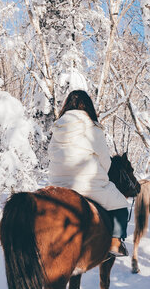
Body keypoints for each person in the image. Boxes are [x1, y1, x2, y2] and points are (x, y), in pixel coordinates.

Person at [48, 90, 129, 257]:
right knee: (120, 204)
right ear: (88, 106)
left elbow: (51, 154)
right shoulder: (93, 128)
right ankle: (115, 243)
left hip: (58, 184)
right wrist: (103, 175)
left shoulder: (57, 127)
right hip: (87, 184)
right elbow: (105, 161)